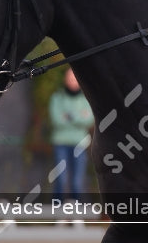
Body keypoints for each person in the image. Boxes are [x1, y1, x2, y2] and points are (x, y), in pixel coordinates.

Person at [48, 67, 94, 202]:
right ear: (65, 79)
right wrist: (79, 117)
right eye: (70, 77)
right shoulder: (57, 98)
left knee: (77, 182)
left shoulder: (85, 99)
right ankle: (58, 215)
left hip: (80, 144)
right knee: (60, 180)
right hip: (60, 143)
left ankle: (76, 216)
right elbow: (57, 120)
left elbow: (89, 120)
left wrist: (69, 116)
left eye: (75, 78)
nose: (72, 81)